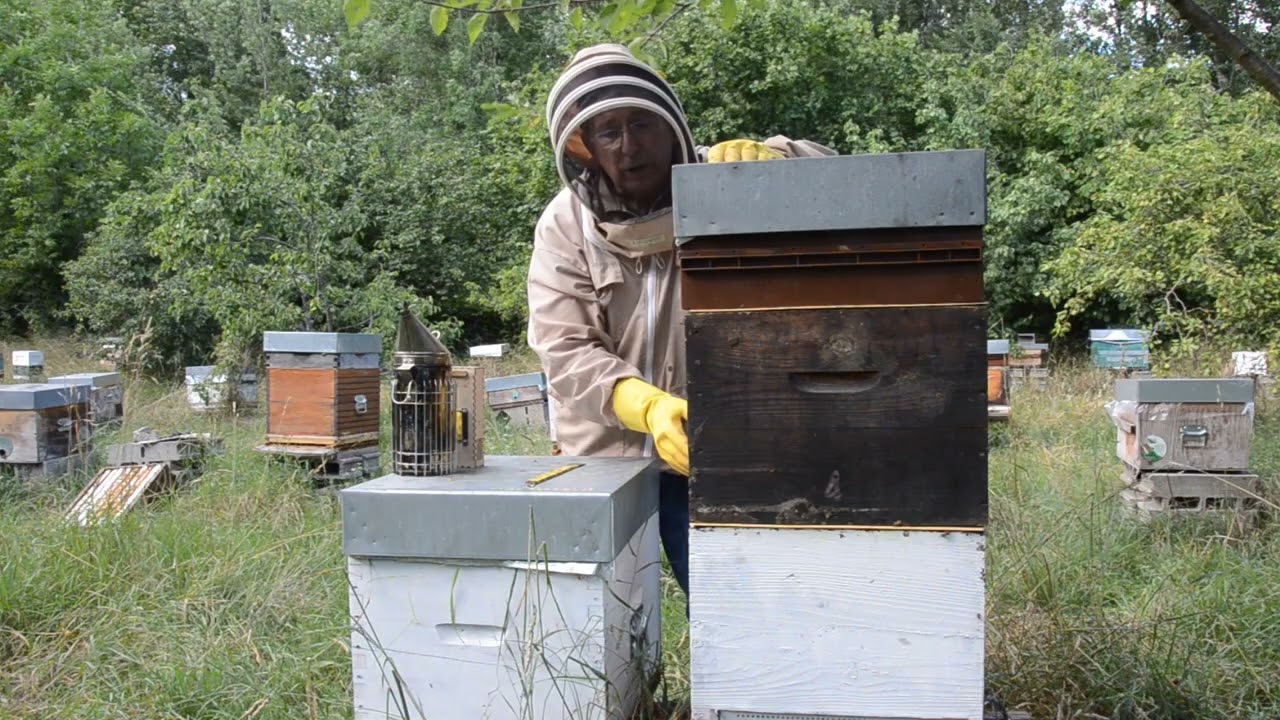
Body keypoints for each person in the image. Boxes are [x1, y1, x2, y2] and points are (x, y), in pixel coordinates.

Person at [527, 44, 834, 596]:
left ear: (670, 124)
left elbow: (854, 181)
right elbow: (565, 347)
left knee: (732, 603)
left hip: (710, 448)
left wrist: (783, 164)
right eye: (608, 131)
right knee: (607, 625)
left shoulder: (723, 177)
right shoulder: (564, 225)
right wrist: (647, 405)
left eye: (641, 123)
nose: (629, 146)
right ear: (585, 146)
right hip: (605, 458)